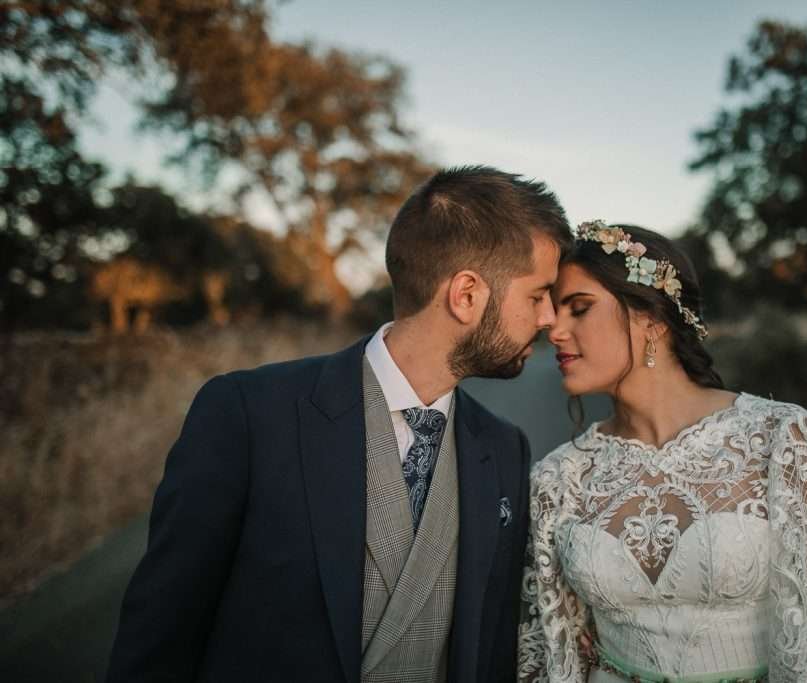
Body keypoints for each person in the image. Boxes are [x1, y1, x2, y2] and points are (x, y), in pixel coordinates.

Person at [106, 165, 572, 683]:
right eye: (537, 295)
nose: (551, 317)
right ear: (466, 295)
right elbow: (159, 637)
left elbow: (489, 652)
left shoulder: (505, 449)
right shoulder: (248, 415)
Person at [518, 221, 807, 683]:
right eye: (552, 310)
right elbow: (551, 647)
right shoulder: (557, 477)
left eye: (579, 309)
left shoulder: (782, 439)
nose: (555, 330)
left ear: (651, 318)